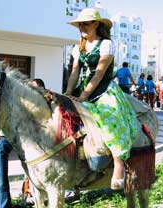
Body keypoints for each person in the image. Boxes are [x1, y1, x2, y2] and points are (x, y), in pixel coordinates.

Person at [65, 8, 137, 190]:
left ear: (96, 24)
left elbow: (98, 75)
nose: (81, 27)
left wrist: (82, 97)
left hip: (104, 90)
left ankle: (119, 164)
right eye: (80, 24)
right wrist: (68, 93)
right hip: (83, 89)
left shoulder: (106, 45)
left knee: (111, 119)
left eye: (86, 23)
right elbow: (74, 73)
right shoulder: (77, 48)